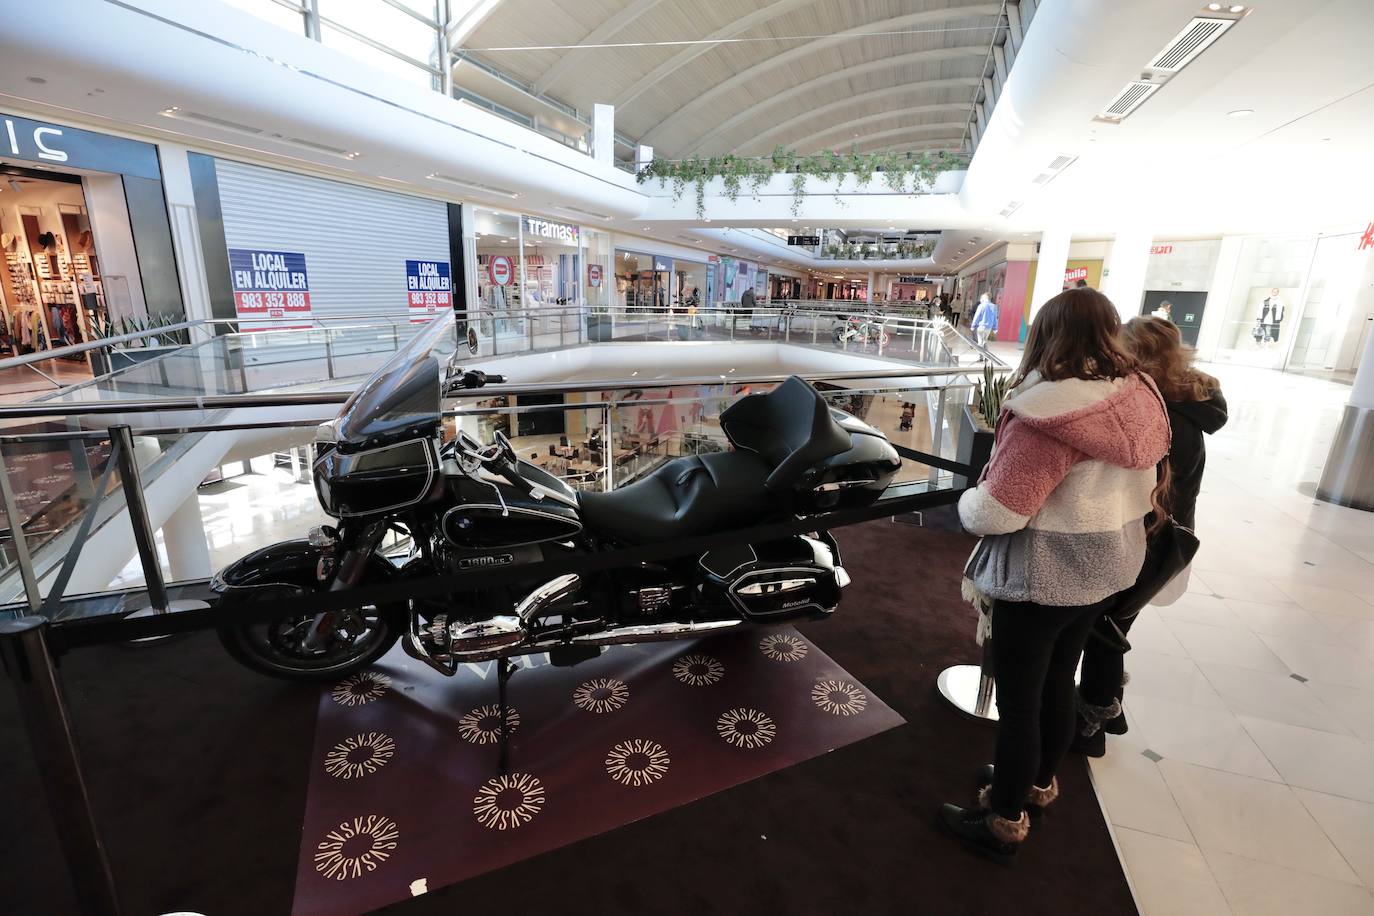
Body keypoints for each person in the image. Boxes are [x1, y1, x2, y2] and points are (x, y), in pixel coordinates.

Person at [939, 287, 1170, 864]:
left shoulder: (1049, 412)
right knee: (1058, 681)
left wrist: (966, 503)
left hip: (1045, 575)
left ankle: (1003, 818)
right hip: (1110, 565)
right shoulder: (1139, 397)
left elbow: (999, 511)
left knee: (1020, 703)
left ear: (1045, 336)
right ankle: (1037, 783)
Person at [1073, 317, 1227, 756]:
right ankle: (1106, 708)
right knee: (1113, 626)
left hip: (1144, 539)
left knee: (1101, 629)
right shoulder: (1189, 406)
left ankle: (1091, 726)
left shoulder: (1156, 414)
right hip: (1165, 539)